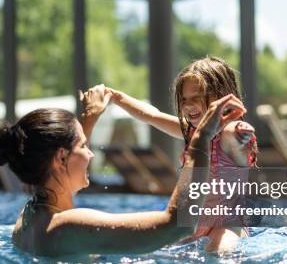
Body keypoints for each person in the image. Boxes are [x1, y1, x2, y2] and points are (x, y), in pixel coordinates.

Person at [0, 85, 247, 257]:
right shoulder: (70, 227)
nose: (90, 153)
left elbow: (59, 174)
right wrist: (200, 140)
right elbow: (177, 227)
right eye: (83, 146)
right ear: (61, 158)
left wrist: (89, 117)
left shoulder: (30, 216)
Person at [105, 57, 258, 252]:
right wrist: (115, 97)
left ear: (222, 96)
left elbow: (232, 135)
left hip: (227, 224)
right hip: (194, 222)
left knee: (218, 252)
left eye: (197, 97)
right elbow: (151, 115)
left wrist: (240, 132)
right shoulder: (191, 132)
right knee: (156, 249)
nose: (187, 105)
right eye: (184, 99)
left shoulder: (228, 132)